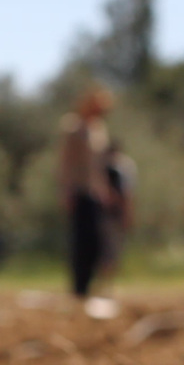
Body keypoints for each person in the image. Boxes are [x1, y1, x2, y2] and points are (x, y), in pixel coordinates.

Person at [58, 85, 114, 299]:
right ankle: (79, 289)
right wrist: (66, 190)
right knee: (81, 241)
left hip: (96, 193)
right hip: (79, 191)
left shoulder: (99, 129)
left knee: (96, 242)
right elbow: (65, 162)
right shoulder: (73, 127)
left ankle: (90, 287)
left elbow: (99, 164)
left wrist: (105, 189)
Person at [99, 139, 136, 286]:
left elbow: (127, 194)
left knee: (112, 251)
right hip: (104, 215)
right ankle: (104, 285)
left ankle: (106, 285)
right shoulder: (104, 169)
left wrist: (127, 213)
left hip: (113, 215)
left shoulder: (121, 169)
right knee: (107, 251)